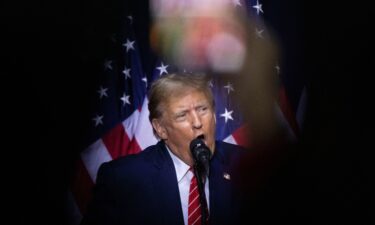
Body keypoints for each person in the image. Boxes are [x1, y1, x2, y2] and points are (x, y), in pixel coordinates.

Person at [81, 73, 246, 225]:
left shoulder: (245, 165)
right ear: (160, 128)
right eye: (182, 115)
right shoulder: (122, 180)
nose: (197, 123)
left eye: (203, 109)